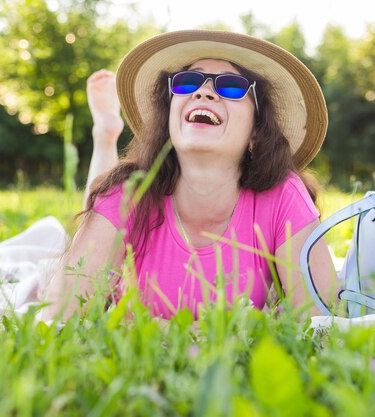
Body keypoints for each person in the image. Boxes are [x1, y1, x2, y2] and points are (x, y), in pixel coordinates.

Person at [41, 30, 338, 321]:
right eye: (187, 81)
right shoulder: (125, 193)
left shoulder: (283, 195)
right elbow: (58, 316)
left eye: (232, 86)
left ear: (256, 134)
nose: (203, 91)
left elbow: (323, 319)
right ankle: (105, 137)